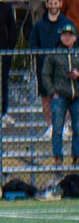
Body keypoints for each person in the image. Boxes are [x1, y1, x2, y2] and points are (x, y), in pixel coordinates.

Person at [39, 22, 79, 163]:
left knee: (77, 127)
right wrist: (52, 92)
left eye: (70, 35)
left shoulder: (77, 53)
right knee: (57, 128)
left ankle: (76, 155)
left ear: (75, 38)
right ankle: (57, 156)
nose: (67, 38)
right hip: (60, 96)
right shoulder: (54, 54)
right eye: (65, 35)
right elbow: (45, 74)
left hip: (76, 96)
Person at [30, 0, 69, 129]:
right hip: (44, 67)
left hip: (63, 67)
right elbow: (33, 43)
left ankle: (62, 126)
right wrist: (41, 56)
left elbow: (73, 42)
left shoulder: (66, 23)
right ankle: (50, 125)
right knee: (46, 97)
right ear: (47, 5)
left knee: (64, 96)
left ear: (60, 4)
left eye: (56, 3)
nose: (53, 6)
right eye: (50, 3)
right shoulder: (40, 25)